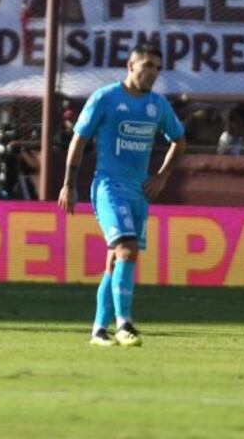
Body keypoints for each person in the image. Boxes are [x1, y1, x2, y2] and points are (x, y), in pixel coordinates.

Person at [58, 43, 186, 347]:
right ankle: (125, 324)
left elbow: (179, 141)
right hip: (108, 187)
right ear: (131, 66)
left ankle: (98, 331)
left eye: (157, 67)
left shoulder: (158, 105)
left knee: (116, 262)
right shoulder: (105, 98)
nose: (152, 72)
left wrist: (163, 175)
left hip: (139, 192)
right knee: (127, 249)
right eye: (147, 65)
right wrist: (68, 184)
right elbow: (79, 141)